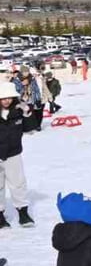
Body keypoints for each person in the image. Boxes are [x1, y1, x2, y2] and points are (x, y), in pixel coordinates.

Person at [0, 80, 35, 229]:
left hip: (13, 153)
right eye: (3, 98)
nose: (6, 101)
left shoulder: (18, 112)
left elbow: (31, 129)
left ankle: (23, 212)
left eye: (9, 98)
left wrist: (27, 113)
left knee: (18, 183)